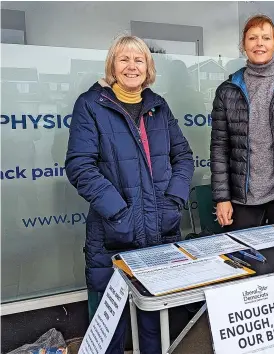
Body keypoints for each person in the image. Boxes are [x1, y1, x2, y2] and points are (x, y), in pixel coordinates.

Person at [65, 35, 194, 353]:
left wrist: (173, 201)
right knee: (110, 330)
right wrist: (120, 212)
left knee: (155, 324)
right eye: (123, 59)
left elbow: (184, 158)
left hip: (161, 233)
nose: (131, 66)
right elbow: (80, 167)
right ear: (112, 65)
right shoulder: (91, 105)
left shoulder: (158, 107)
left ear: (148, 68)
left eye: (139, 60)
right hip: (114, 234)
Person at [210, 15, 274, 230]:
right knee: (241, 260)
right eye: (253, 38)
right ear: (244, 45)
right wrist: (221, 198)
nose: (259, 43)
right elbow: (220, 149)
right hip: (242, 199)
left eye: (266, 37)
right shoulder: (227, 91)